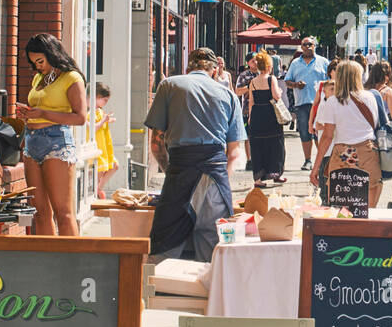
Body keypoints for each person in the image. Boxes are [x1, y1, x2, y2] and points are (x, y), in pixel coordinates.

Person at [143, 47, 246, 262]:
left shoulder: (170, 85)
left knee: (165, 241)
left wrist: (169, 170)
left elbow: (156, 143)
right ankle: (212, 293)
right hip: (215, 175)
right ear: (215, 70)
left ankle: (156, 291)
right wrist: (221, 178)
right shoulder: (228, 94)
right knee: (214, 247)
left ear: (188, 66)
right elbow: (234, 153)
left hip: (180, 170)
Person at [15, 33, 86, 236]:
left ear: (52, 54)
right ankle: (48, 263)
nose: (37, 66)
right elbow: (40, 107)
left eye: (40, 61)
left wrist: (43, 113)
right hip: (31, 142)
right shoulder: (39, 78)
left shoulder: (71, 77)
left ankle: (71, 264)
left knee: (63, 213)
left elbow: (80, 118)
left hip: (57, 143)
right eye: (33, 62)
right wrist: (27, 114)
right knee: (39, 213)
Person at [309, 61, 384, 207]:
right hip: (367, 151)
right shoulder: (371, 97)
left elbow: (327, 137)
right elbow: (375, 125)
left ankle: (344, 228)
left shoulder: (333, 102)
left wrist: (316, 167)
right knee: (368, 203)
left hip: (341, 154)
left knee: (340, 202)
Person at [284, 36, 329, 172]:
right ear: (301, 47)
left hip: (320, 104)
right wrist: (296, 85)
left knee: (319, 133)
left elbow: (331, 80)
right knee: (304, 133)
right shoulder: (295, 63)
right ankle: (308, 160)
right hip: (302, 103)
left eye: (310, 44)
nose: (308, 47)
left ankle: (321, 160)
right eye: (305, 44)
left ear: (315, 46)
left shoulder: (323, 62)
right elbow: (287, 81)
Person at [247, 50, 286, 187]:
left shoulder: (252, 82)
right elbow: (276, 96)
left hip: (257, 114)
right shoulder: (271, 79)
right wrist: (280, 92)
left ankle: (258, 179)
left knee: (257, 147)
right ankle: (276, 174)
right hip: (270, 115)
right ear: (269, 66)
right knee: (276, 144)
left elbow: (250, 102)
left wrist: (250, 118)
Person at [310, 60, 341, 204]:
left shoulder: (339, 99)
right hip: (327, 146)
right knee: (325, 173)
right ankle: (325, 201)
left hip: (336, 146)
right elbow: (320, 124)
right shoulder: (328, 101)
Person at [93, 82, 118, 198]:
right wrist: (105, 120)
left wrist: (108, 119)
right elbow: (94, 126)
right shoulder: (91, 111)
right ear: (97, 97)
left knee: (114, 166)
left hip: (105, 147)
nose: (105, 103)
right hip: (98, 147)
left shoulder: (99, 110)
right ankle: (96, 192)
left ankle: (97, 190)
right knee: (100, 172)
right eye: (105, 100)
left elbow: (101, 120)